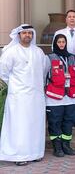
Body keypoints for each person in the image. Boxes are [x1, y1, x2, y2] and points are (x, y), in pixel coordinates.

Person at [0, 25, 47, 166]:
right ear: (19, 35)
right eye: (24, 33)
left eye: (29, 33)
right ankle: (19, 155)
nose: (27, 35)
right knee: (20, 125)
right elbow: (3, 73)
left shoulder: (38, 52)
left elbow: (43, 71)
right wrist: (16, 87)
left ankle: (35, 153)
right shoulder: (11, 52)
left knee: (35, 124)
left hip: (36, 96)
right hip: (18, 97)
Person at [45, 34, 75, 157]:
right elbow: (44, 75)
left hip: (70, 96)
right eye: (59, 42)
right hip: (54, 96)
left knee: (68, 121)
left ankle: (66, 145)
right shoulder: (49, 58)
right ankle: (57, 147)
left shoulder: (72, 57)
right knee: (55, 121)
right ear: (55, 43)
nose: (61, 44)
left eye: (63, 42)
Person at [55, 9, 75, 128]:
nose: (72, 18)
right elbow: (55, 50)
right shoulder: (59, 32)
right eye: (69, 16)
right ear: (66, 19)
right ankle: (66, 118)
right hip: (64, 65)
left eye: (74, 16)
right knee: (65, 90)